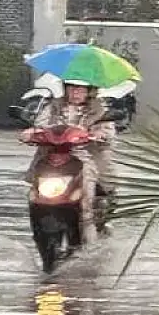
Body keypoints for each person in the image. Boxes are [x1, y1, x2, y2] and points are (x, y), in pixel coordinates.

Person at [27, 81, 118, 234]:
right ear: (65, 90)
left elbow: (108, 131)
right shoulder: (53, 107)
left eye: (80, 90)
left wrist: (99, 134)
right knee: (34, 191)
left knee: (87, 192)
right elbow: (40, 124)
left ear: (89, 92)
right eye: (72, 89)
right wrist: (31, 133)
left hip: (84, 157)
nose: (75, 93)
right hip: (54, 156)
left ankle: (89, 234)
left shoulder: (99, 111)